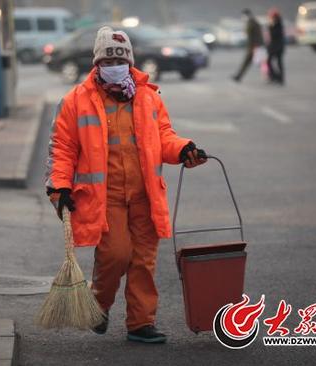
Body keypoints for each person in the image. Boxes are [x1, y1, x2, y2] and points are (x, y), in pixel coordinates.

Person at [45, 26, 207, 344]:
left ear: (130, 62)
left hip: (145, 195)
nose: (114, 66)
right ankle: (99, 304)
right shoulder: (76, 101)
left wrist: (184, 148)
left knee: (144, 261)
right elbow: (61, 149)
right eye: (107, 61)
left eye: (120, 60)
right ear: (97, 64)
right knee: (115, 255)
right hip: (106, 199)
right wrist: (59, 186)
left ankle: (140, 323)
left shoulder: (149, 98)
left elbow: (164, 138)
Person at [232, 8, 264, 83]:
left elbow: (257, 36)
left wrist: (256, 46)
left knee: (261, 63)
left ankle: (273, 75)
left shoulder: (252, 23)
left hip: (255, 47)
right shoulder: (250, 22)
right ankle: (238, 76)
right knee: (248, 62)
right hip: (252, 47)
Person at [267, 8, 285, 85]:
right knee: (272, 62)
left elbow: (274, 35)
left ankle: (278, 77)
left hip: (277, 47)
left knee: (277, 62)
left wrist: (271, 26)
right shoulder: (277, 23)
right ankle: (276, 76)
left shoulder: (278, 24)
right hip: (276, 46)